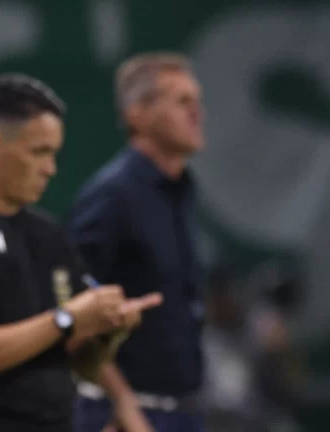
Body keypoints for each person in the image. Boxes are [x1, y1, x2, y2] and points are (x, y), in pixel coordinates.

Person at [0, 74, 163, 432]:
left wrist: (105, 333)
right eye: (39, 152)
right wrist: (65, 318)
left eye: (54, 153)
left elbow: (80, 364)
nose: (51, 168)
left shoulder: (50, 236)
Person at [67, 52, 207, 432]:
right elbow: (72, 311)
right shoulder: (113, 197)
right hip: (124, 417)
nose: (197, 112)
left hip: (185, 412)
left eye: (197, 100)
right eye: (181, 101)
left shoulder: (180, 190)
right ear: (137, 115)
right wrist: (124, 405)